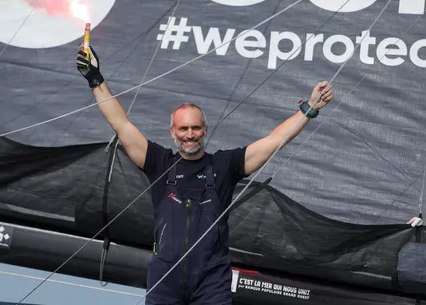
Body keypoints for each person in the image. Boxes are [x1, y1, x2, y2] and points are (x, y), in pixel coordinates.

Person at [76, 45, 333, 305]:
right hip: (166, 278)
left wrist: (310, 108)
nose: (190, 134)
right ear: (172, 132)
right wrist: (94, 79)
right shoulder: (158, 162)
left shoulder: (225, 165)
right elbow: (121, 124)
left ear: (205, 129)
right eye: (184, 128)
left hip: (211, 281)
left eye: (196, 128)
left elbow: (274, 140)